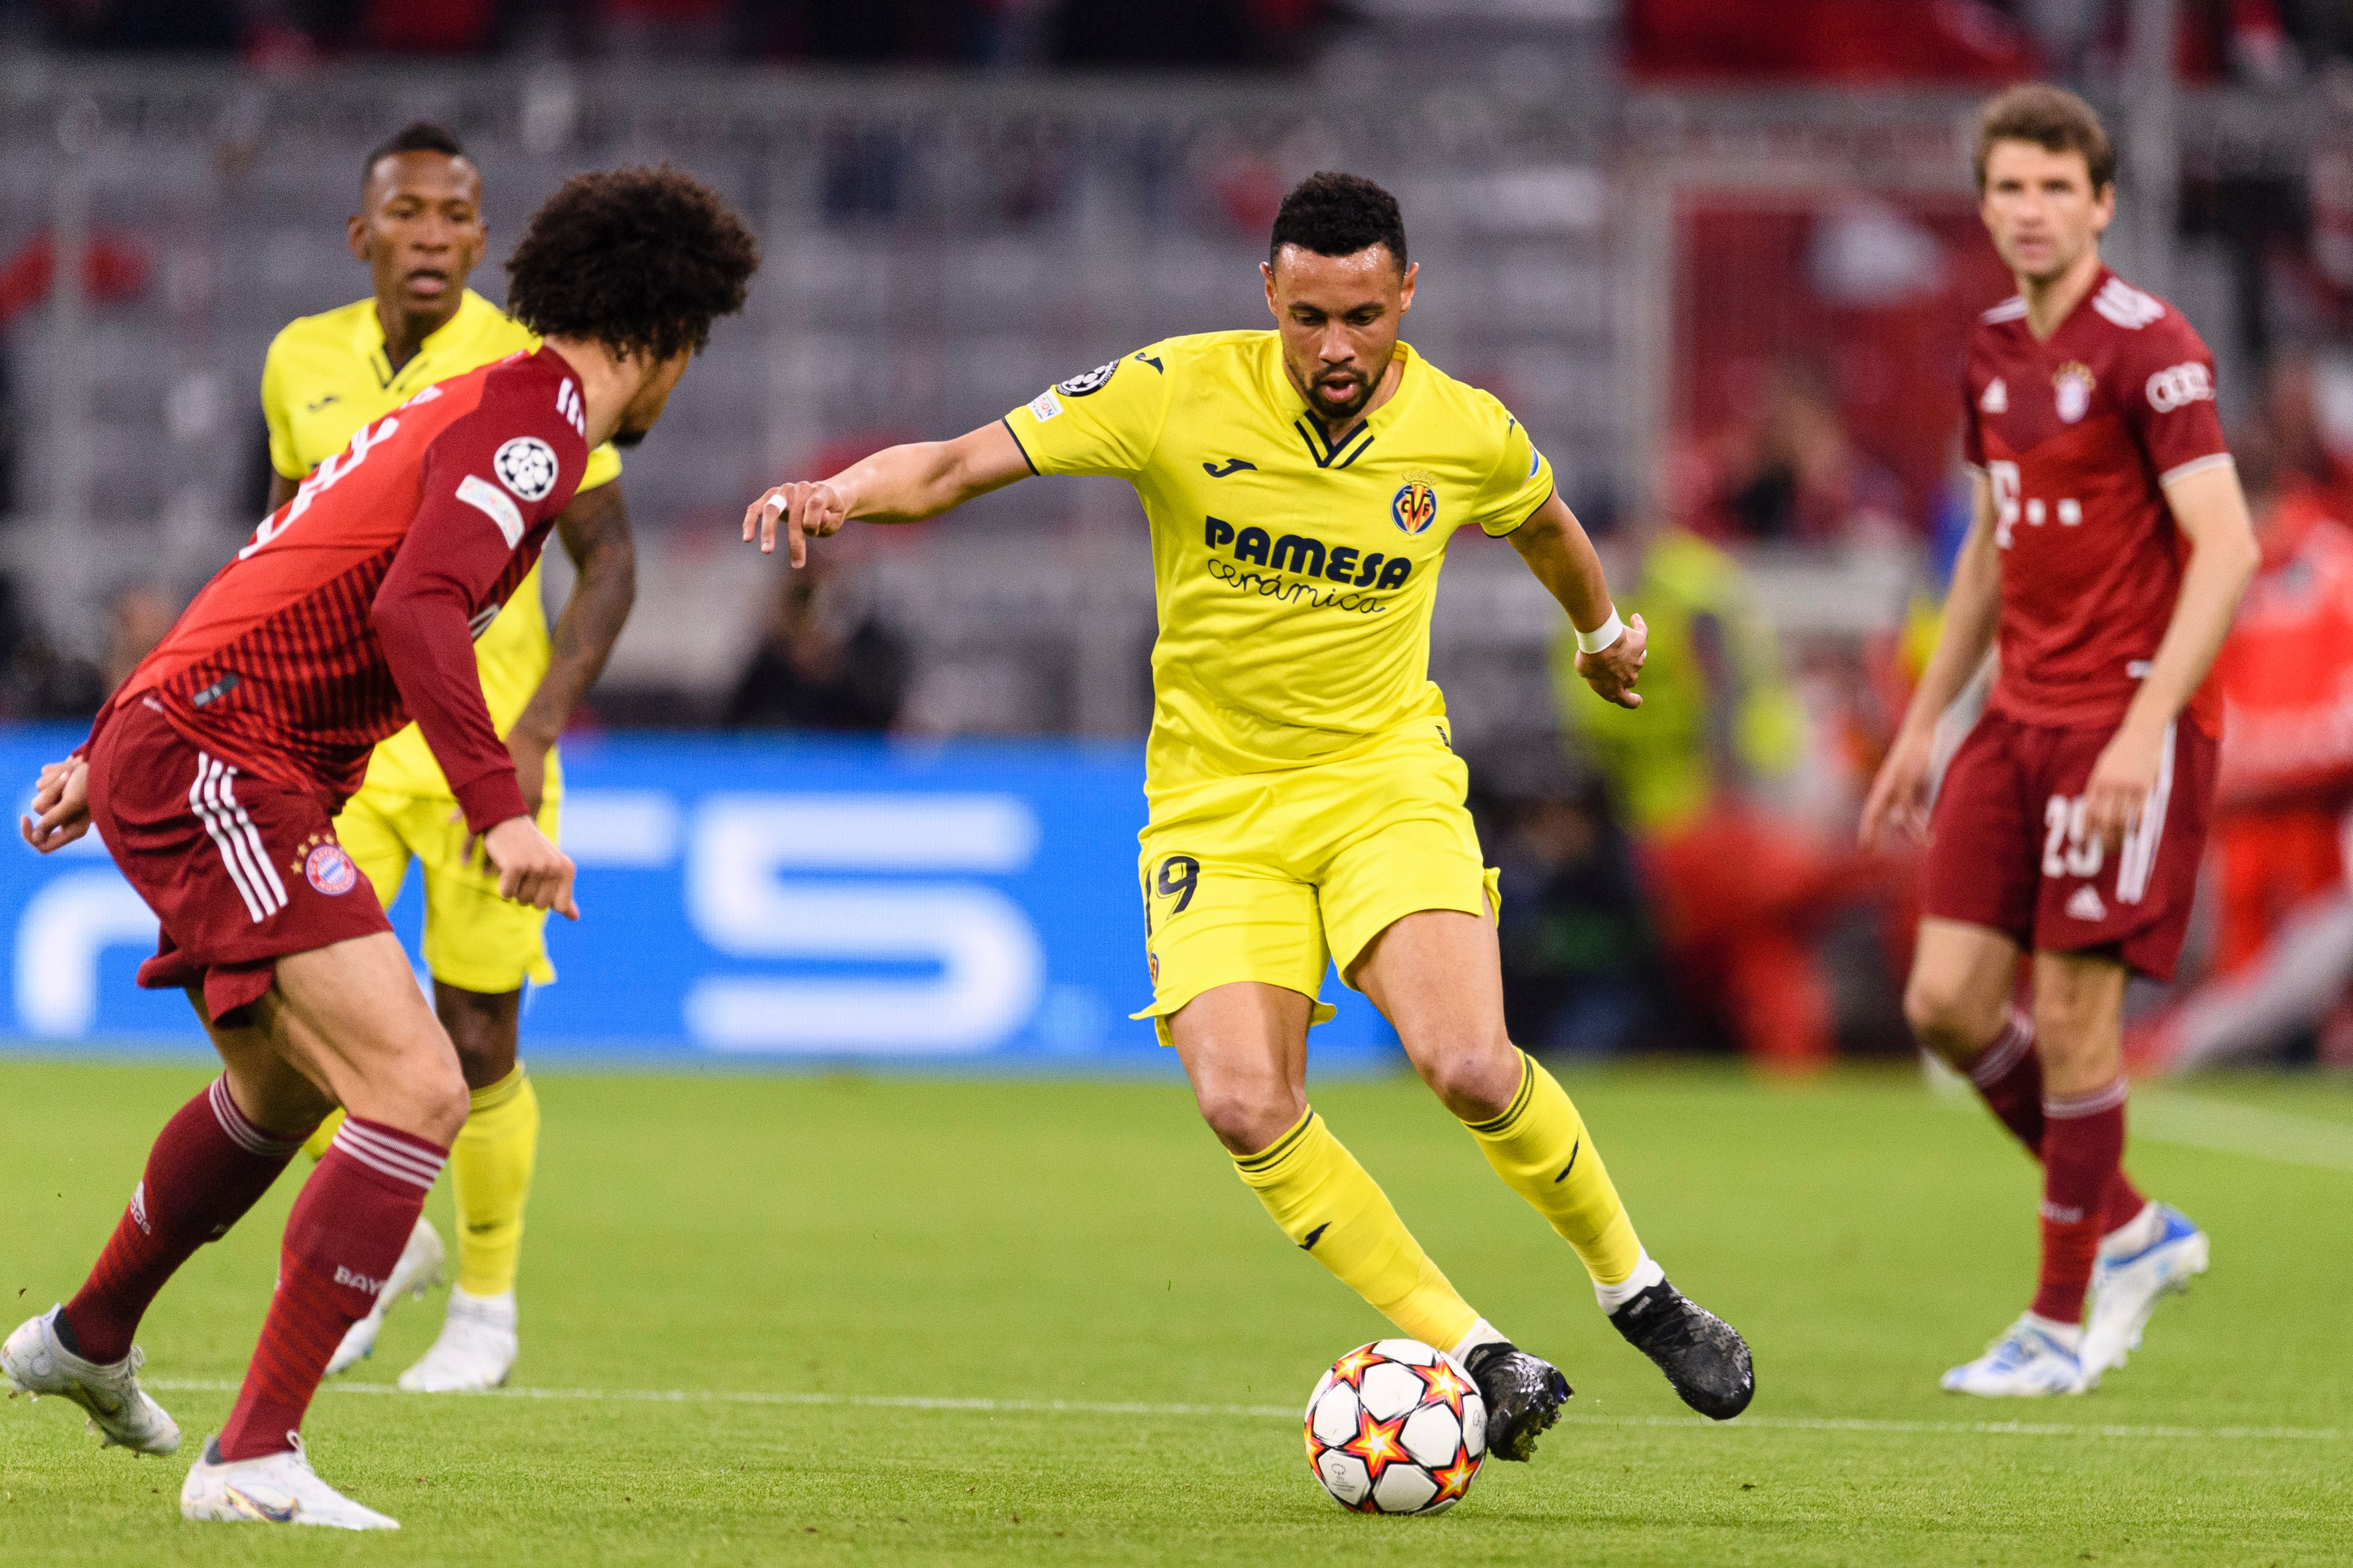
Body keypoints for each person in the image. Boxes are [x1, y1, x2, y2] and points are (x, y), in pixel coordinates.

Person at [744, 171, 1754, 1465]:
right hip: (1216, 808)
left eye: (1367, 317)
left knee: (1470, 1065)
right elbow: (951, 466)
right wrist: (842, 494)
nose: (1338, 347)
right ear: (1268, 293)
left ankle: (1640, 1292)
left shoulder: (1465, 428)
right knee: (1241, 1100)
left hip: (1384, 781)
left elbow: (1545, 520)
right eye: (1312, 316)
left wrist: (1603, 631)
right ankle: (1477, 1349)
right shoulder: (1172, 389)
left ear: (1408, 297)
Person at [3, 168, 758, 1530]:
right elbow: (419, 606)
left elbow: (276, 558)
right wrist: (501, 804)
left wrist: (108, 741)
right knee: (417, 1087)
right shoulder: (537, 428)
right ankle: (252, 1454)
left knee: (286, 1095)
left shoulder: (476, 401)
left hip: (206, 742)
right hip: (228, 755)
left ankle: (88, 1333)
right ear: (665, 339)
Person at [1860, 84, 2258, 1397]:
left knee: (2078, 1017)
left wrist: (2147, 732)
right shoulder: (1988, 351)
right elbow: (1987, 546)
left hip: (2123, 721)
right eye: (2009, 188)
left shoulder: (2154, 348)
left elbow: (2229, 547)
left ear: (2101, 201)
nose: (2030, 210)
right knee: (1945, 1003)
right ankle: (2136, 1225)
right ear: (1984, 205)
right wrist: (1926, 722)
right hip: (2014, 718)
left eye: (2055, 187)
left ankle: (2057, 1317)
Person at [257, 120, 640, 1393]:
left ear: (484, 238)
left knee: (479, 1033)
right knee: (290, 1005)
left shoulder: (534, 365)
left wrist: (535, 730)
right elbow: (290, 540)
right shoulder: (297, 362)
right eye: (407, 212)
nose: (431, 234)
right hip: (336, 747)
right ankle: (379, 1251)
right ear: (361, 234)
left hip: (483, 754)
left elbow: (611, 564)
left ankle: (485, 1305)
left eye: (454, 215)